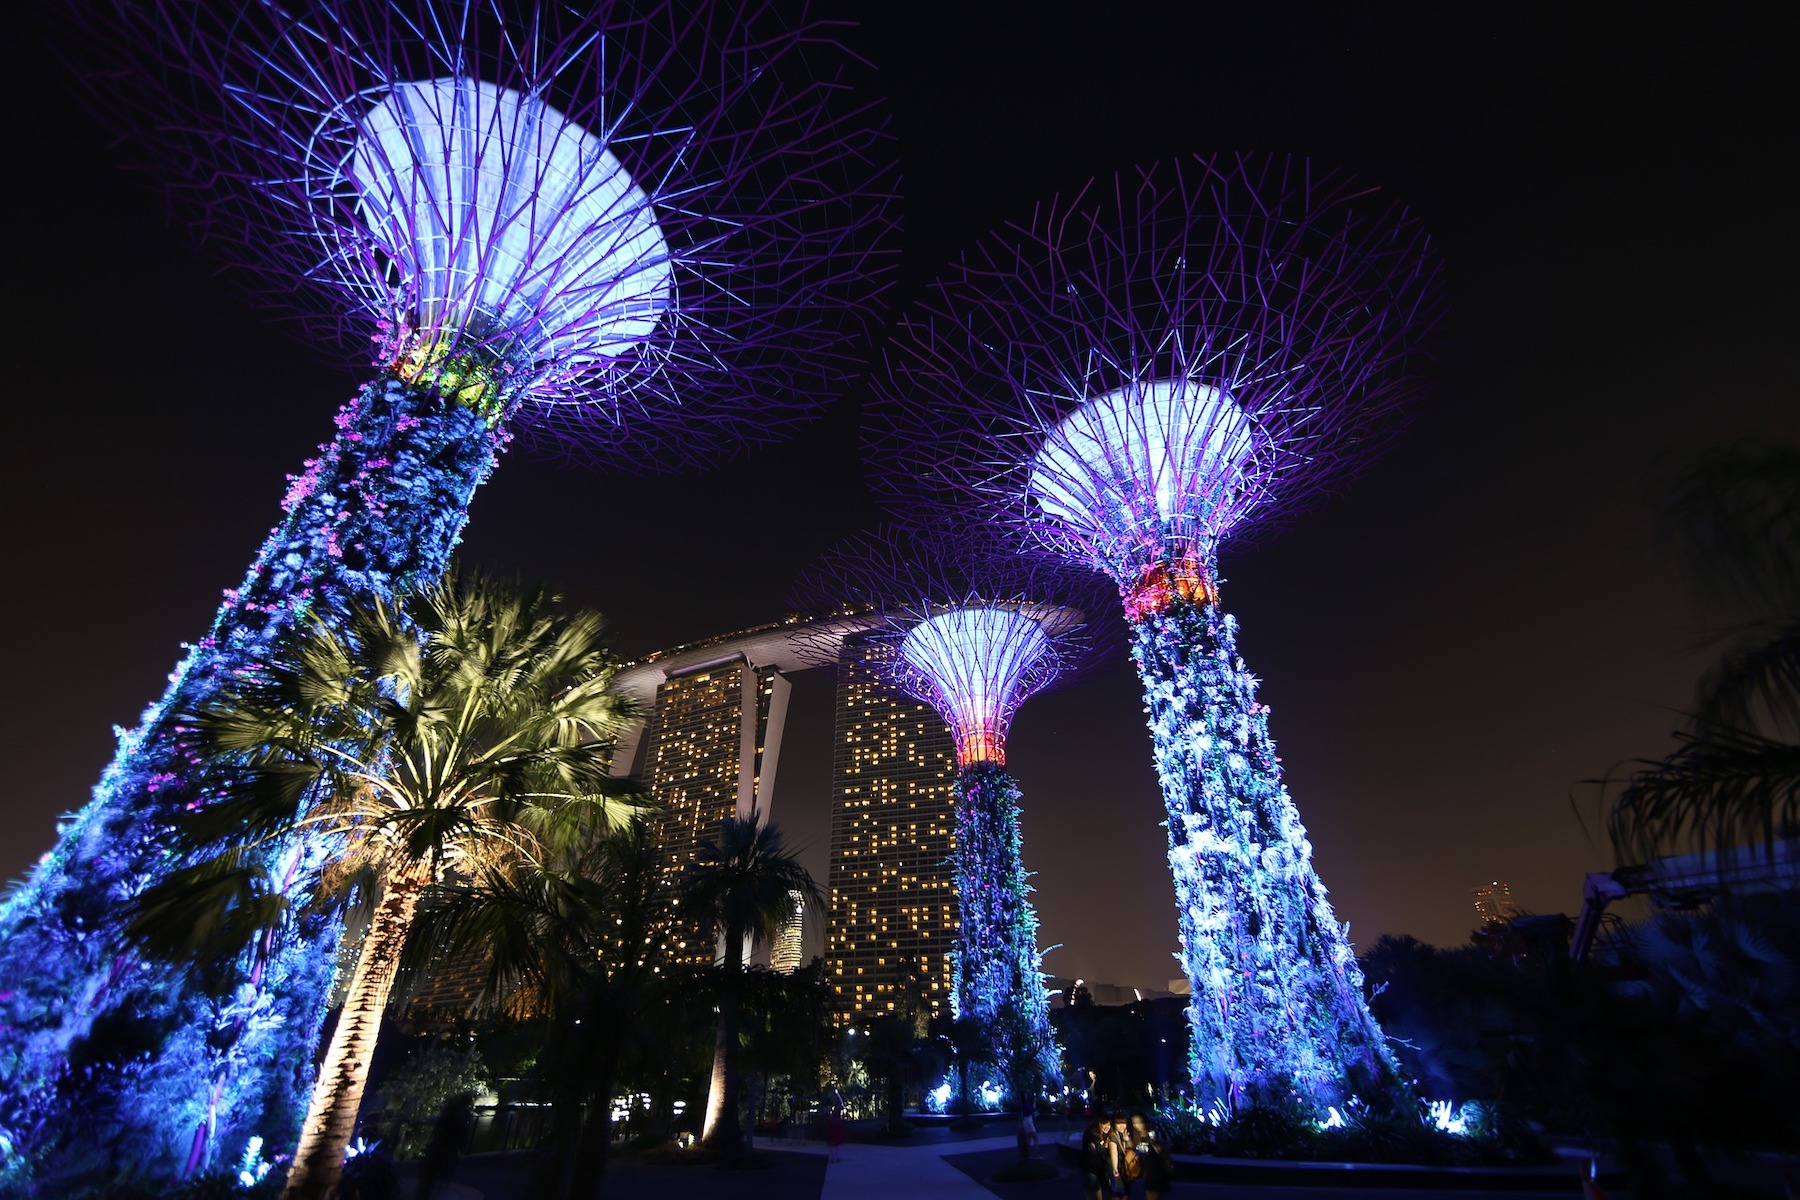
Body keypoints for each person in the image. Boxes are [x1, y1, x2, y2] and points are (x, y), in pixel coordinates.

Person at [1130, 1110, 1174, 1200]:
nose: (1136, 1125)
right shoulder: (1136, 1137)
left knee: (1153, 1195)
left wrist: (1154, 1142)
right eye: (1134, 1123)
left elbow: (1160, 1150)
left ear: (1145, 1122)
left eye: (1139, 1122)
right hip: (1148, 1173)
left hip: (1156, 1172)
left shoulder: (1152, 1135)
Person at [1081, 1110, 1113, 1200]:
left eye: (1109, 1124)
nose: (1107, 1127)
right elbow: (1093, 1149)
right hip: (1090, 1170)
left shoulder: (1104, 1135)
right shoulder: (1092, 1135)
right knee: (1094, 1195)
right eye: (1104, 1124)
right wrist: (1105, 1148)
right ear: (1098, 1124)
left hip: (1097, 1170)